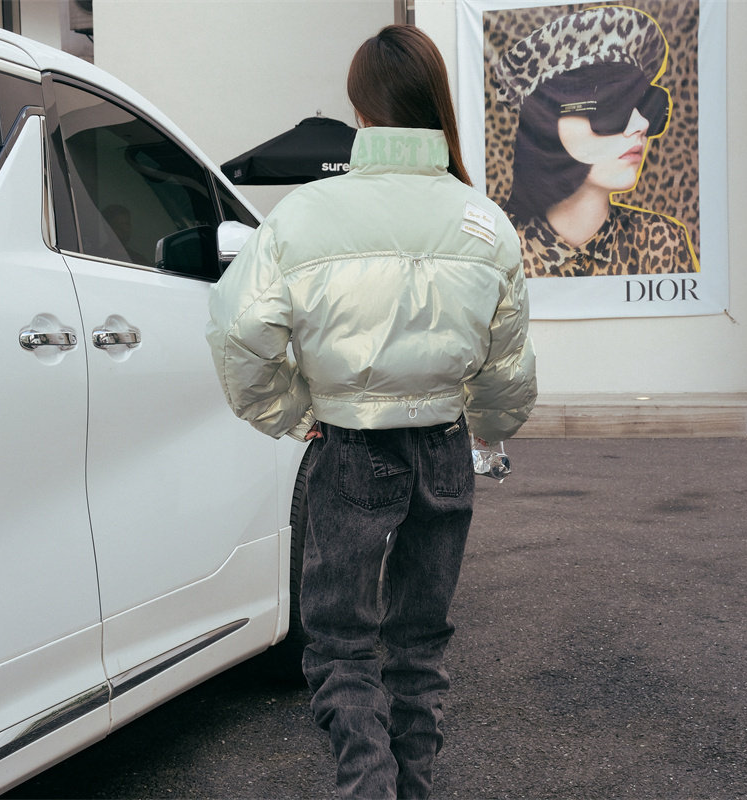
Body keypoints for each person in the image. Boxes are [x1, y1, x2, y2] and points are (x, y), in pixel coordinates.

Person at [207, 24, 536, 799]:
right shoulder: (483, 220)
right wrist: (490, 428)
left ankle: (368, 786)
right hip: (445, 448)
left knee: (342, 646)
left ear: (360, 108)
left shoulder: (302, 216)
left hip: (352, 447)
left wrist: (295, 411)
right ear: (434, 102)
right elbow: (508, 366)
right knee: (418, 648)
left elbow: (237, 332)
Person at [492, 5, 699, 278]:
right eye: (613, 105)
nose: (642, 124)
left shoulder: (661, 244)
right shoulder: (498, 247)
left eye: (646, 103)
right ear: (544, 123)